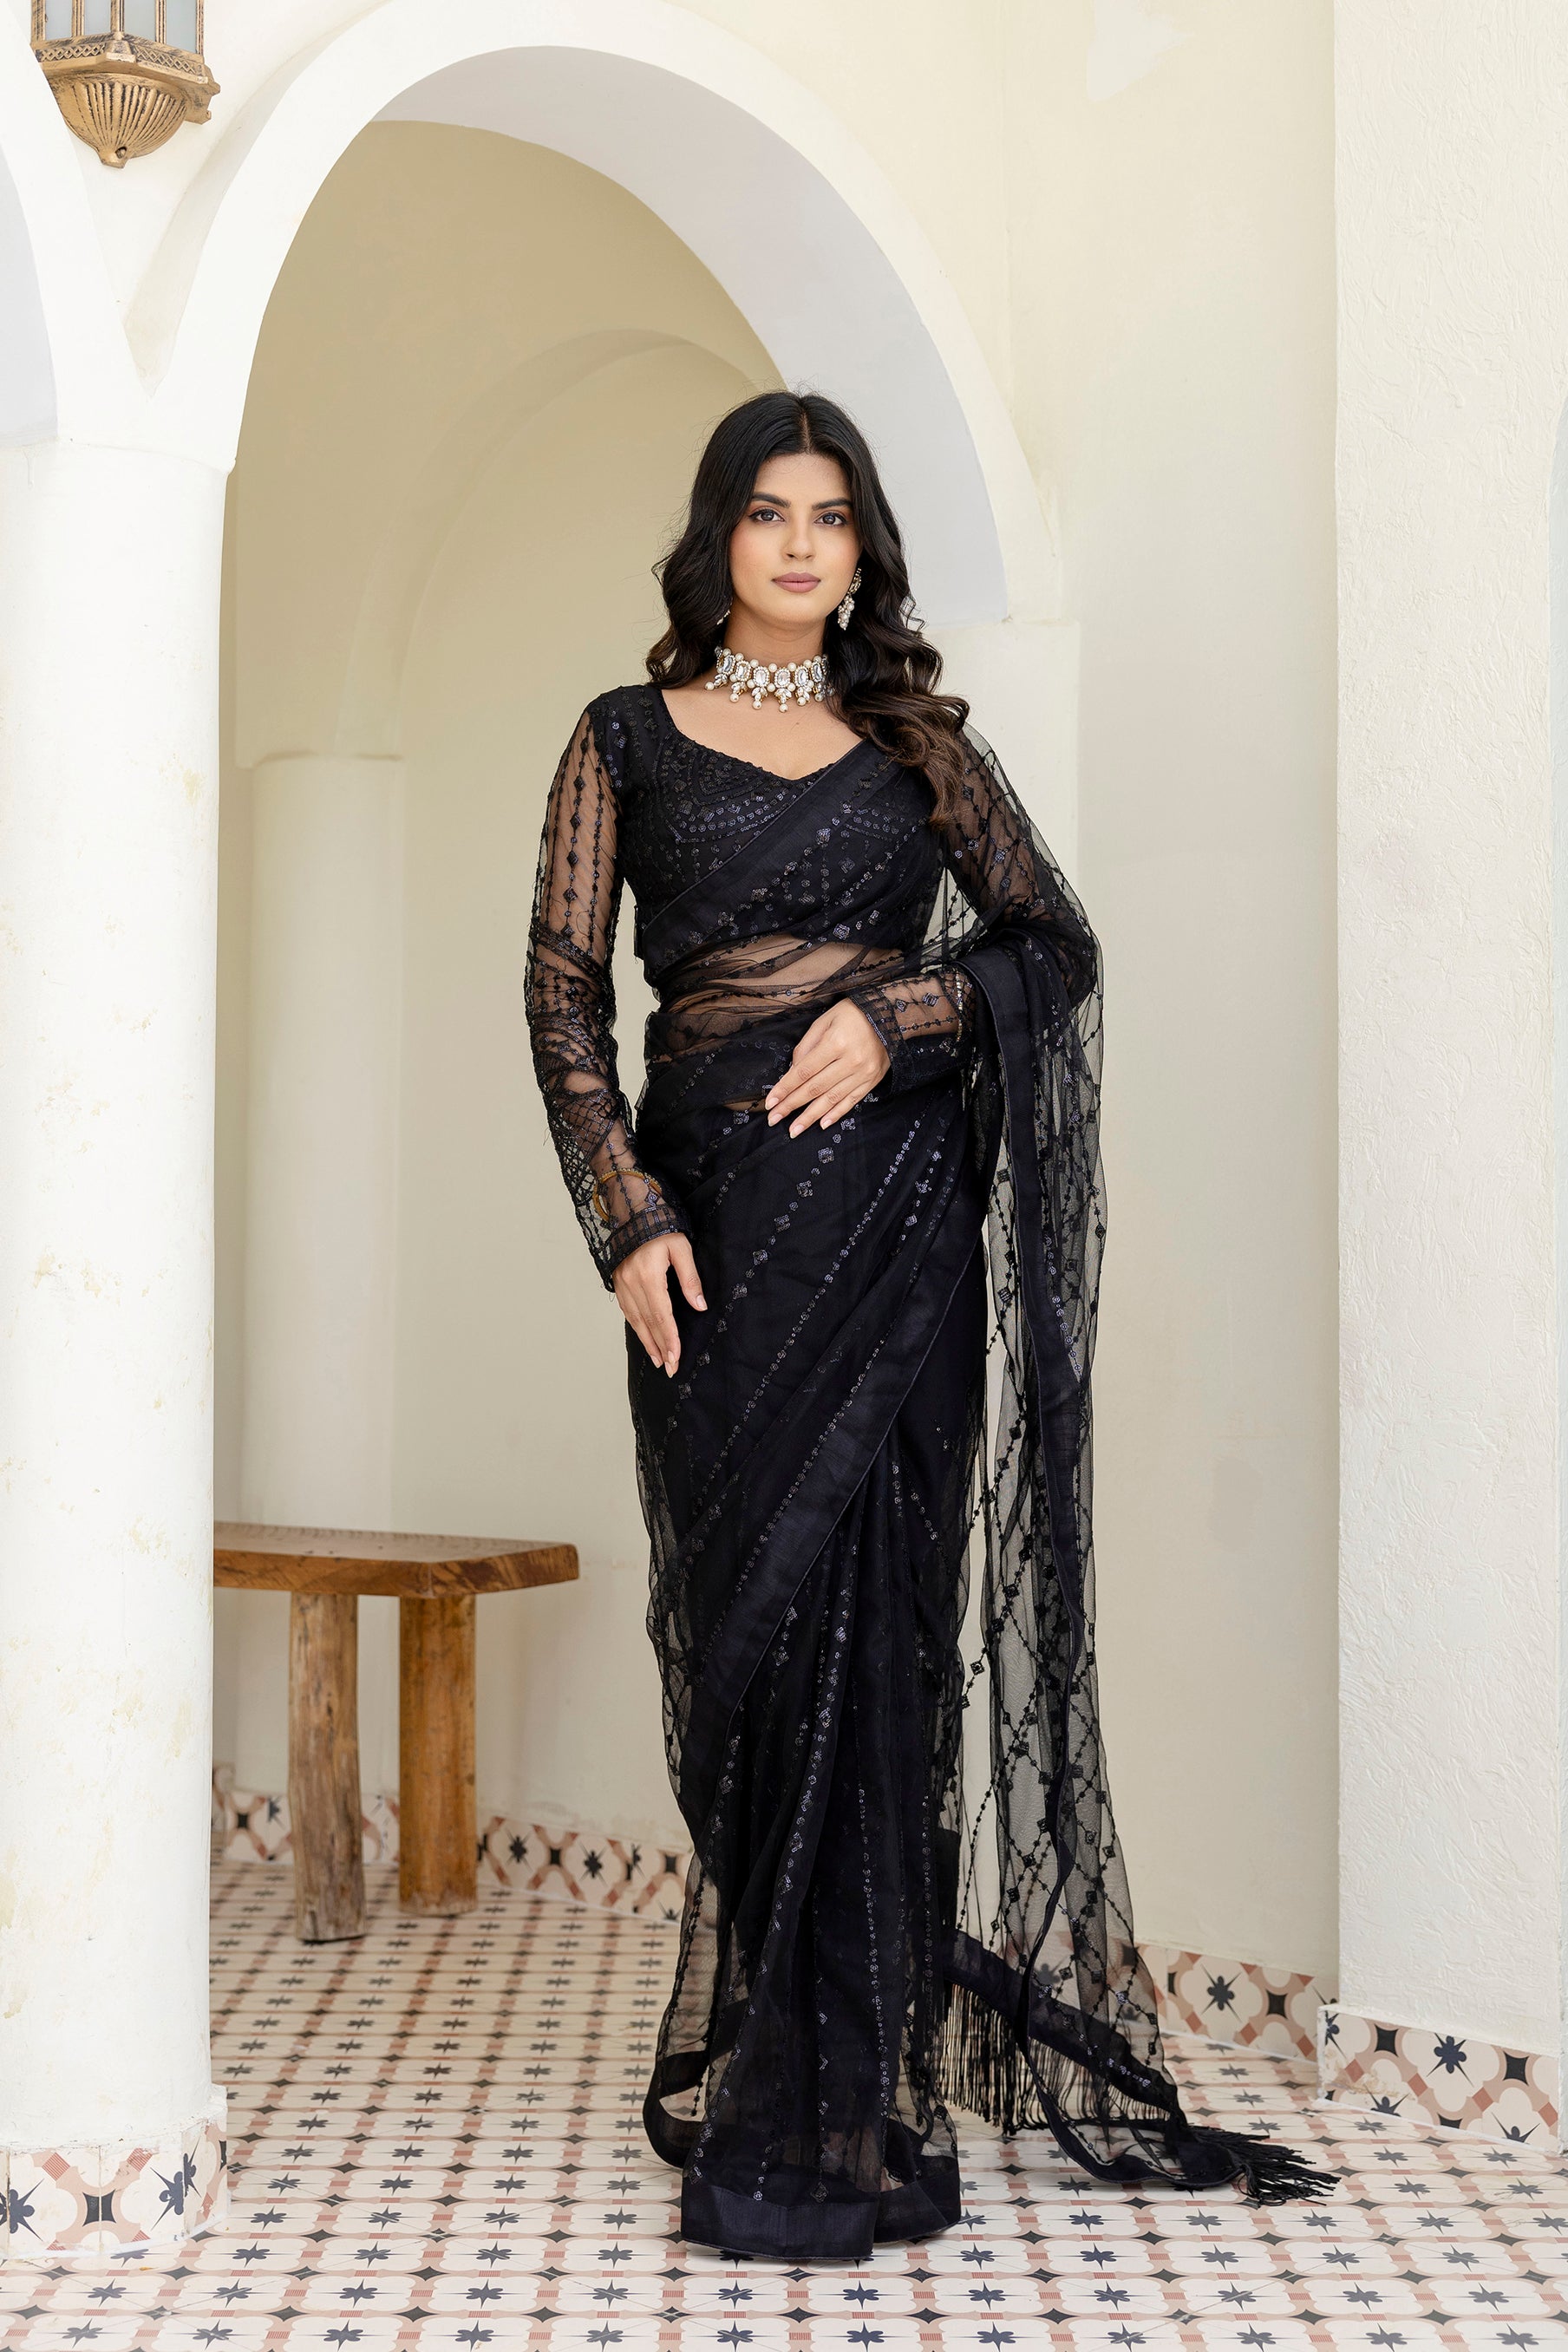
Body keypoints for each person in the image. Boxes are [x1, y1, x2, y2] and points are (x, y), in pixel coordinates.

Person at [524, 391, 1335, 2259]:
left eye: (830, 516)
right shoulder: (623, 741)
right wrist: (622, 1216)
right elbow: (564, 989)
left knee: (878, 1647)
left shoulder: (916, 748)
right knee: (741, 1644)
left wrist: (903, 1016)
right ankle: (770, 2058)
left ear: (861, 546)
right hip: (712, 1253)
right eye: (764, 511)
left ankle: (856, 2086)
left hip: (892, 1254)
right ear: (717, 537)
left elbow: (1052, 943)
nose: (799, 544)